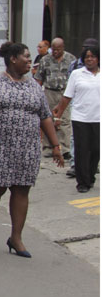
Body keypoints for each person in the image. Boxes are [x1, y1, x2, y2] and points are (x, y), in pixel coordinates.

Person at [0, 42, 64, 258]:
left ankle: (16, 237)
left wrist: (56, 146)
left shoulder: (34, 87)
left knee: (22, 189)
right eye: (26, 57)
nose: (30, 61)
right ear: (13, 58)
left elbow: (45, 116)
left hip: (27, 148)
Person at [53, 46, 100, 193]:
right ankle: (82, 182)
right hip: (81, 118)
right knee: (82, 151)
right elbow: (67, 96)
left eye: (92, 56)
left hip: (98, 119)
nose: (90, 59)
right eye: (87, 57)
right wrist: (58, 116)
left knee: (96, 151)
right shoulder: (77, 74)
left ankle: (90, 177)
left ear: (98, 58)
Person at [34, 37, 76, 159]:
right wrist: (37, 94)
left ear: (63, 48)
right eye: (54, 49)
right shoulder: (45, 60)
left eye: (58, 49)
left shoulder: (71, 59)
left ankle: (65, 148)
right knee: (48, 119)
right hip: (49, 92)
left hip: (65, 92)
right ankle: (48, 147)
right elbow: (39, 77)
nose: (56, 52)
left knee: (65, 120)